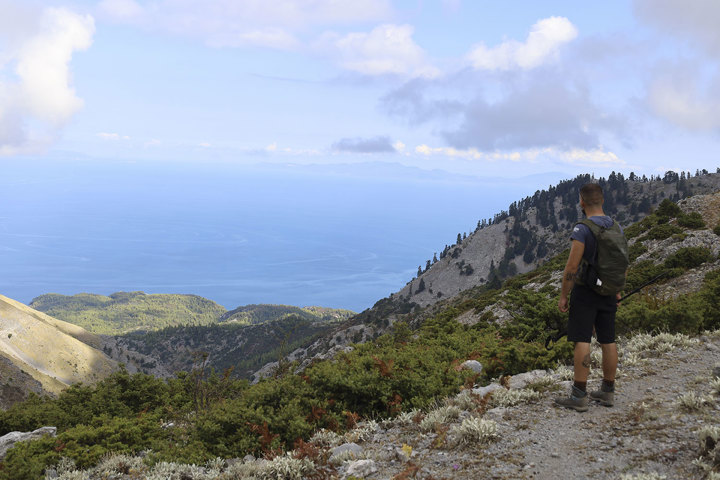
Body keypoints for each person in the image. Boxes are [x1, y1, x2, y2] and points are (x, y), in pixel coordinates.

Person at [554, 183, 626, 412]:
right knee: (608, 339)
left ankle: (579, 395)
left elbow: (572, 266)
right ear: (602, 200)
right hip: (609, 290)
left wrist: (564, 295)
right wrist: (616, 288)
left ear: (582, 202)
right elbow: (622, 262)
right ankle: (608, 391)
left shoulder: (583, 229)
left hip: (586, 291)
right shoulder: (617, 227)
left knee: (582, 339)